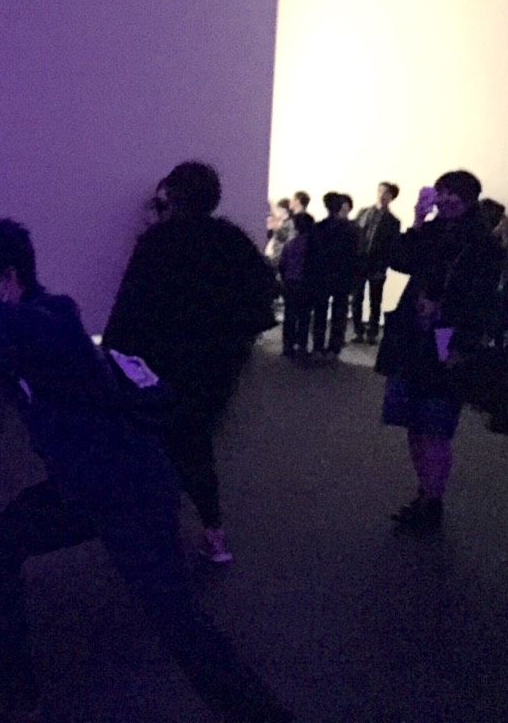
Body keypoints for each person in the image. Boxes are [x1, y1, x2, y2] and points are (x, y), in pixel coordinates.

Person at [0, 169, 293, 723]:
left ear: (7, 280)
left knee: (180, 625)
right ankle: (10, 695)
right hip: (81, 486)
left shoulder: (46, 325)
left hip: (130, 494)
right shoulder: (16, 306)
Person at [103, 161, 278, 566]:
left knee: (151, 443)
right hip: (213, 368)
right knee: (195, 445)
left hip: (160, 365)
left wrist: (114, 356)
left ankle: (156, 536)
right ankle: (213, 534)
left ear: (174, 195)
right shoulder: (231, 240)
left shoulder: (159, 241)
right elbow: (261, 295)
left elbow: (130, 307)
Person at [376, 170, 503, 531]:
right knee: (413, 421)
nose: (446, 200)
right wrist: (417, 220)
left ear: (470, 199)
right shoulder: (431, 232)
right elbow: (399, 260)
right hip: (412, 337)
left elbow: (481, 302)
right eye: (441, 192)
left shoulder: (483, 243)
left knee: (435, 422)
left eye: (454, 194)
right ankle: (424, 494)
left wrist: (445, 317)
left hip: (446, 335)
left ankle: (432, 502)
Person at [305, 192, 359, 358]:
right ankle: (334, 348)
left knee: (320, 312)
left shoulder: (317, 228)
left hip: (321, 275)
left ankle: (318, 347)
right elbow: (354, 256)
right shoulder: (351, 229)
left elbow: (310, 255)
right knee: (339, 313)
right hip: (342, 277)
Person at [351, 182, 402, 345]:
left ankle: (372, 332)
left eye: (386, 192)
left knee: (375, 299)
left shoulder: (393, 221)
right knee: (357, 298)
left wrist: (384, 265)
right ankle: (358, 331)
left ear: (392, 197)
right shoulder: (363, 212)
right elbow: (354, 234)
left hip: (377, 265)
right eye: (380, 191)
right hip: (359, 262)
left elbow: (392, 247)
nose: (382, 195)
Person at [279, 212, 316, 358]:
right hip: (306, 284)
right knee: (304, 317)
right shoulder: (313, 246)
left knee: (290, 315)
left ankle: (287, 346)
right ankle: (302, 346)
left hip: (290, 283)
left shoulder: (290, 244)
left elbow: (282, 265)